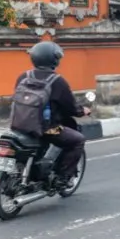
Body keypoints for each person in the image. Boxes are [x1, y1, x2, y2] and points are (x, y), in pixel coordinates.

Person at [15, 41, 87, 187]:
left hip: (19, 125)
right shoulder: (57, 81)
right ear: (54, 60)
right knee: (78, 140)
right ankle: (62, 177)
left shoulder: (23, 76)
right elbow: (71, 107)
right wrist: (82, 110)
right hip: (47, 129)